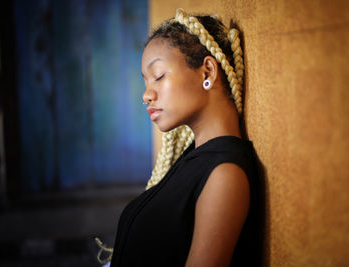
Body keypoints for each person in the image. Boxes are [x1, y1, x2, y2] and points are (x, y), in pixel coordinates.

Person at [97, 8, 261, 267]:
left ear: (207, 72)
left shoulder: (224, 174)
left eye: (159, 76)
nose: (146, 95)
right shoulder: (195, 157)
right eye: (146, 82)